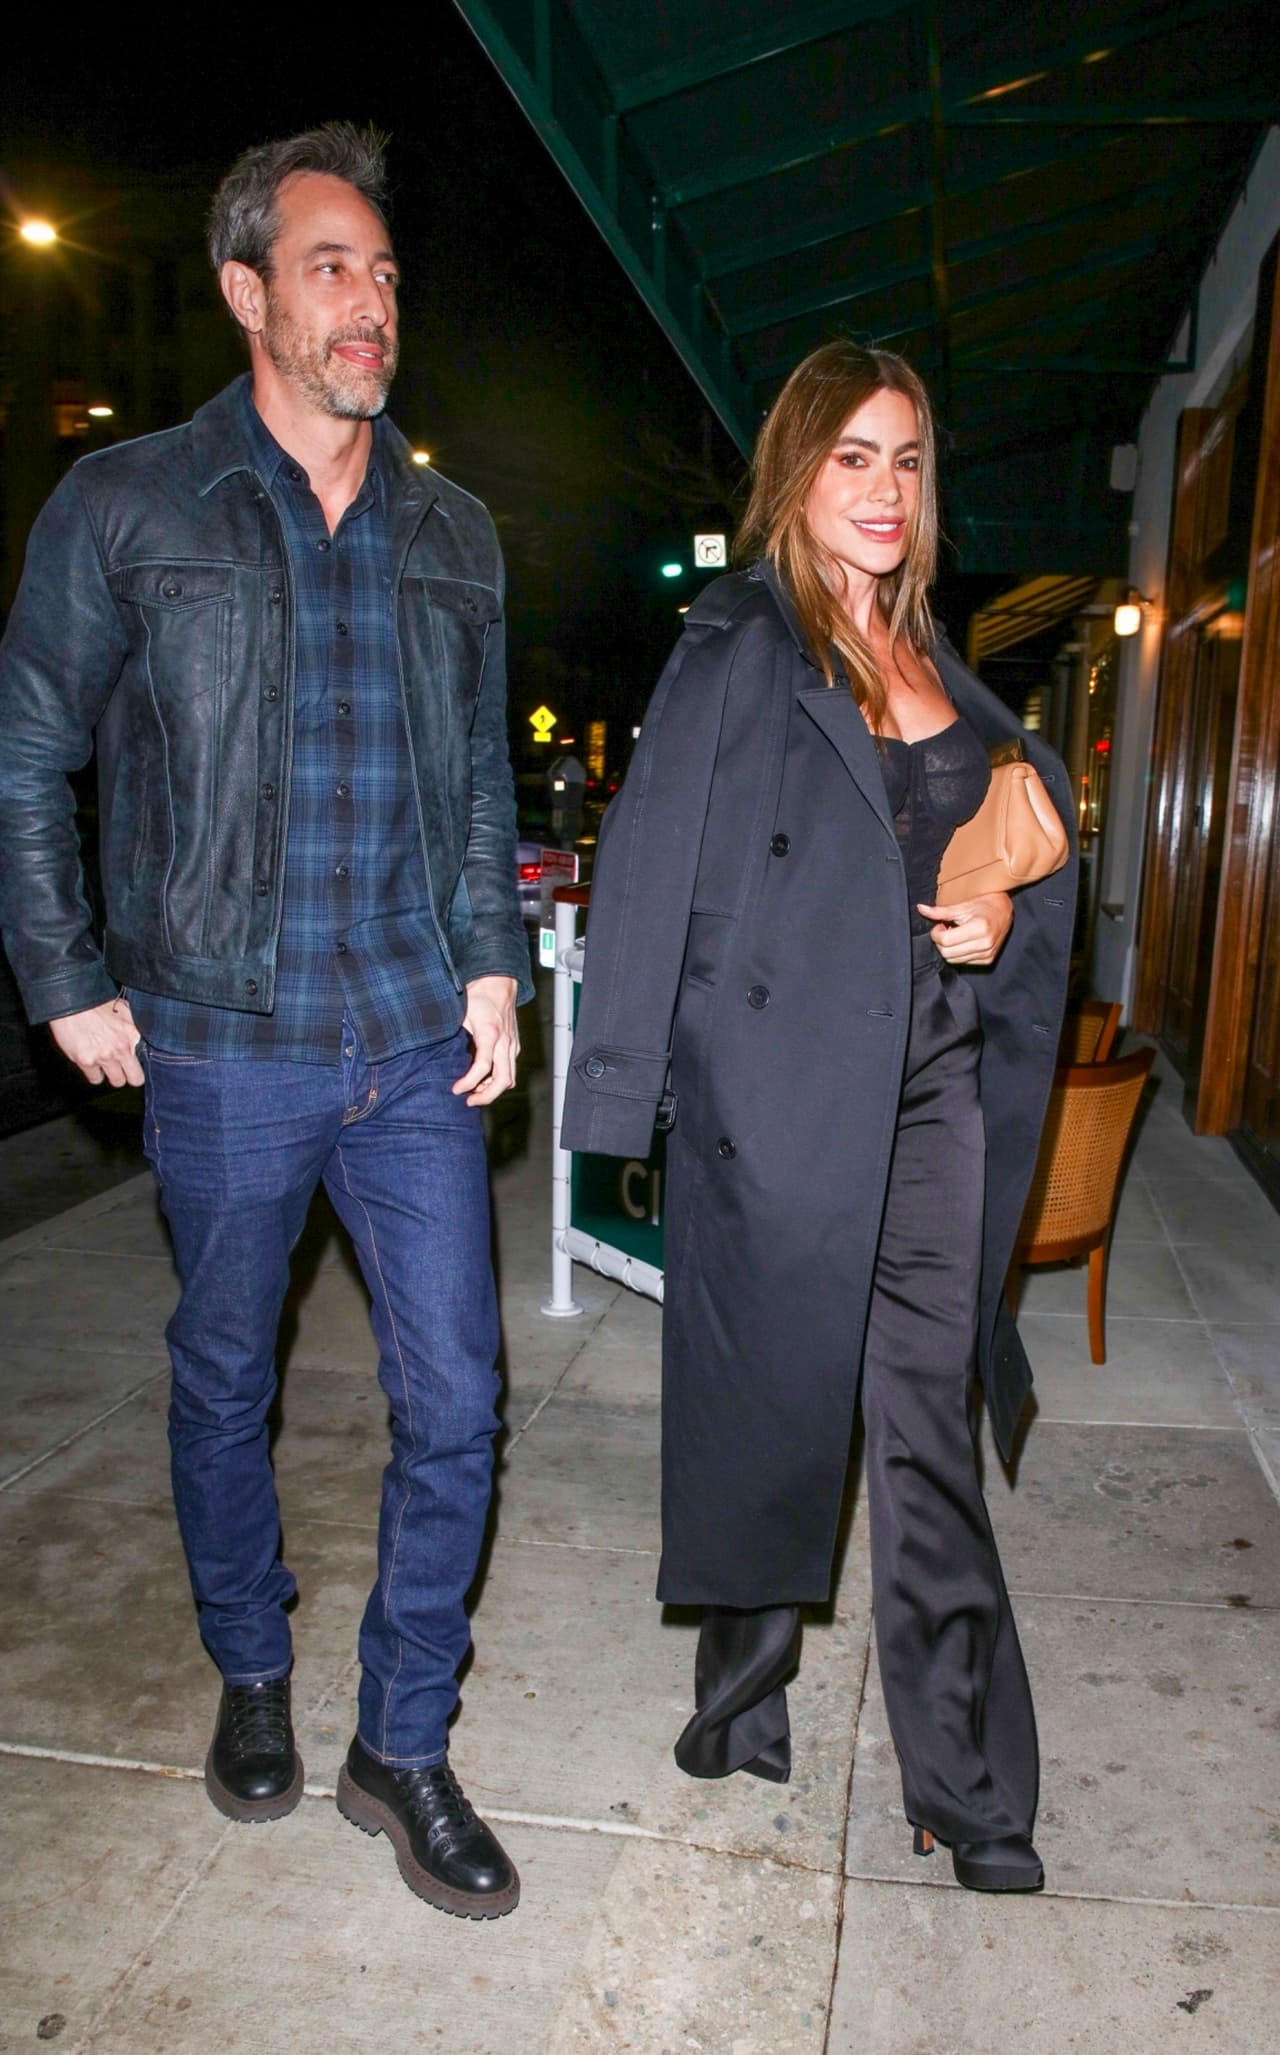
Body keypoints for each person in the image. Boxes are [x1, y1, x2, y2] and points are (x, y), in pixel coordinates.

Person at [0, 124, 528, 1919]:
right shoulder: (129, 503)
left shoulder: (452, 529)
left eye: (383, 271)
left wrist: (490, 962)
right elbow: (28, 749)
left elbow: (470, 775)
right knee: (226, 1378)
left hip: (405, 1047)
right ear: (247, 294)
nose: (369, 301)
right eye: (329, 267)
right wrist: (66, 968)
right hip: (220, 1038)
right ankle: (250, 1670)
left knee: (456, 1395)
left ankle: (405, 1739)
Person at [561, 340, 1076, 1894]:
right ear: (798, 475)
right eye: (852, 457)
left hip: (928, 1090)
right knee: (768, 1402)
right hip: (778, 1090)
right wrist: (622, 1098)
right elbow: (649, 861)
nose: (884, 490)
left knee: (924, 1428)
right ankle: (737, 1702)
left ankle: (971, 1786)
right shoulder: (739, 642)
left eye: (907, 460)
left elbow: (984, 845)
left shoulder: (944, 665)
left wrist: (999, 912)